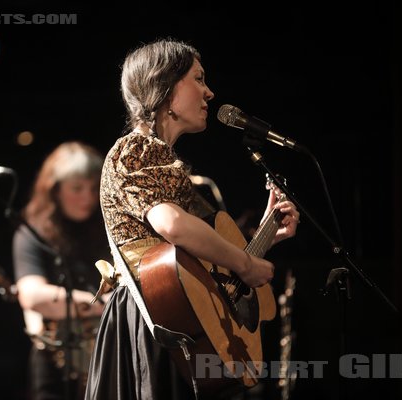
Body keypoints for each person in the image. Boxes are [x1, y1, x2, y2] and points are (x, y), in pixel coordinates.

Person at [84, 38, 300, 400]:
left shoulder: (166, 163)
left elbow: (198, 267)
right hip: (150, 319)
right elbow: (173, 226)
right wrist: (245, 262)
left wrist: (267, 235)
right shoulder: (136, 150)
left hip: (172, 318)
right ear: (164, 86)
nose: (209, 92)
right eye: (198, 79)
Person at [13, 141, 110, 400]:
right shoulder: (32, 233)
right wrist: (104, 303)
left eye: (93, 188)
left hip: (108, 351)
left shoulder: (107, 226)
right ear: (54, 190)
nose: (88, 198)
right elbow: (33, 296)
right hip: (58, 359)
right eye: (77, 188)